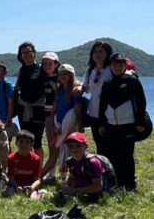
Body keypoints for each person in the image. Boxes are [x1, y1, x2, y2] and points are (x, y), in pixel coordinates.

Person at [98, 53, 145, 191]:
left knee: (127, 155)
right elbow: (102, 104)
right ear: (110, 66)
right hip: (111, 125)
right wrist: (101, 123)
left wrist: (140, 122)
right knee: (114, 154)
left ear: (125, 65)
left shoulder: (132, 81)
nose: (117, 67)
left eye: (121, 64)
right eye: (114, 64)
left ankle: (130, 184)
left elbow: (141, 102)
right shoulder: (108, 82)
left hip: (128, 124)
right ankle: (118, 182)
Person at [41, 64, 83, 180]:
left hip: (70, 127)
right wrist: (53, 124)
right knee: (55, 151)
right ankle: (48, 175)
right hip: (57, 125)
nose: (63, 76)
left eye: (66, 74)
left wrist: (65, 128)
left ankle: (69, 176)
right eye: (60, 74)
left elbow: (76, 112)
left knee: (71, 152)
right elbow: (54, 109)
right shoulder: (58, 90)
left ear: (71, 75)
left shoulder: (75, 91)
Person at [14, 41, 47, 161]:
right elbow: (17, 87)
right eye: (23, 53)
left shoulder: (42, 69)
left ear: (34, 53)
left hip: (38, 109)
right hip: (23, 110)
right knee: (25, 140)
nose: (26, 55)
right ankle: (28, 165)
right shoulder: (21, 70)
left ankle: (39, 168)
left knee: (36, 141)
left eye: (29, 52)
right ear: (20, 56)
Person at [81, 40, 114, 155]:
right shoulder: (90, 70)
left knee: (110, 145)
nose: (97, 54)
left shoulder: (112, 69)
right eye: (95, 51)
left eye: (101, 51)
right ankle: (102, 165)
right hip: (93, 112)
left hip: (108, 113)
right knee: (99, 143)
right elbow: (85, 87)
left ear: (107, 53)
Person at [59, 132, 107, 203]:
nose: (74, 149)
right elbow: (72, 176)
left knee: (69, 200)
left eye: (78, 146)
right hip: (80, 192)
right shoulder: (70, 161)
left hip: (96, 194)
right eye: (70, 146)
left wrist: (73, 191)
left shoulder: (93, 162)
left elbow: (98, 187)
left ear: (86, 146)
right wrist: (66, 186)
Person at [4, 131, 45, 199]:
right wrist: (17, 187)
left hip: (30, 186)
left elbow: (38, 180)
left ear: (32, 144)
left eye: (27, 142)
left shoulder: (36, 159)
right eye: (21, 141)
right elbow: (11, 177)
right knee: (8, 193)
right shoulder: (11, 158)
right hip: (15, 186)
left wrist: (32, 187)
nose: (24, 144)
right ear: (16, 143)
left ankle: (42, 193)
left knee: (33, 198)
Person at [41, 52, 62, 149]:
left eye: (50, 63)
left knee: (62, 143)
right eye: (45, 64)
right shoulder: (43, 78)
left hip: (59, 114)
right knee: (51, 142)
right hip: (47, 115)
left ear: (56, 64)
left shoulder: (61, 78)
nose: (47, 66)